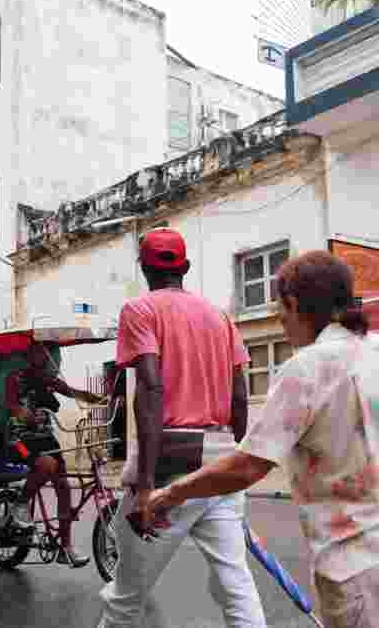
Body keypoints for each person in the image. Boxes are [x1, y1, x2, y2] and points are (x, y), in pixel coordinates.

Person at [145, 250, 379, 628]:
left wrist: (171, 493)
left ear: (295, 303)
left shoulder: (306, 369)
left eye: (280, 308)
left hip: (360, 562)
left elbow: (249, 465)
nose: (279, 320)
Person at [98, 228, 266, 628]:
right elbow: (239, 397)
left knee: (126, 595)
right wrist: (232, 454)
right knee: (236, 585)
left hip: (171, 459)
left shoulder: (139, 311)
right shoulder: (220, 318)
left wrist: (144, 488)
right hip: (221, 456)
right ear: (185, 268)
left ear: (144, 268)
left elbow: (151, 388)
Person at [5, 344, 102, 567]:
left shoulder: (48, 379)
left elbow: (72, 392)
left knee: (63, 485)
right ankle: (20, 503)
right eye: (40, 351)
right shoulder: (15, 377)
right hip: (18, 440)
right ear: (28, 355)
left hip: (45, 438)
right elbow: (10, 405)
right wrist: (22, 413)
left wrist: (98, 399)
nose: (45, 356)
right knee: (48, 465)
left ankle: (65, 548)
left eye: (47, 352)